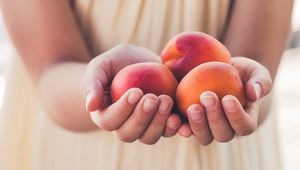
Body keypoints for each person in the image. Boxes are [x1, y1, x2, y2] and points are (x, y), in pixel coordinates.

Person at [0, 0, 293, 169]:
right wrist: (103, 91)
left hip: (221, 156)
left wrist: (247, 96)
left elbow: (255, 68)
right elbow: (50, 68)